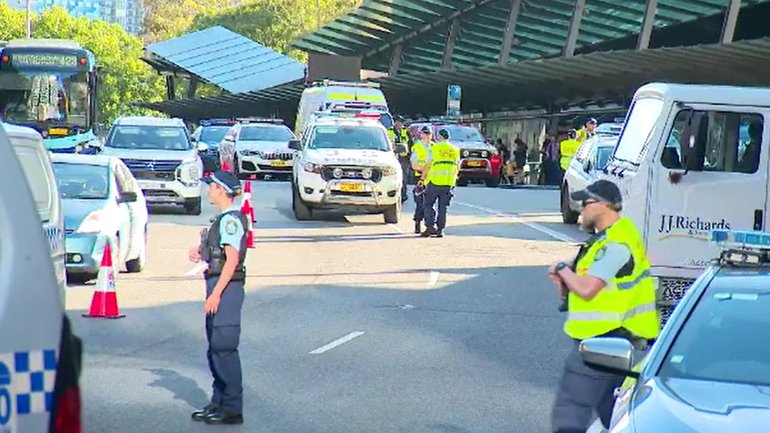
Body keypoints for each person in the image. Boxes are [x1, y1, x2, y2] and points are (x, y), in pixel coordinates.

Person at [548, 179, 660, 433]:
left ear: (603, 206)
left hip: (605, 339)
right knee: (614, 412)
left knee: (570, 412)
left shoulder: (615, 244)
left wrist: (564, 270)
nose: (581, 210)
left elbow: (587, 289)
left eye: (586, 204)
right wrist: (565, 277)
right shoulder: (607, 240)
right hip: (610, 338)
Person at [189, 170, 249, 425]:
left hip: (227, 288)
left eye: (211, 186)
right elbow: (218, 255)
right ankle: (218, 402)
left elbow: (232, 260)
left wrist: (215, 294)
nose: (208, 190)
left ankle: (232, 408)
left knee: (224, 347)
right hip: (218, 284)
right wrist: (200, 253)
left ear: (221, 191)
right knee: (215, 347)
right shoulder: (221, 219)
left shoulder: (231, 221)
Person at [420, 128, 460, 238]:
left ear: (440, 137)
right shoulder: (455, 150)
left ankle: (430, 227)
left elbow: (427, 164)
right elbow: (458, 166)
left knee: (428, 205)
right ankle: (440, 230)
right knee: (443, 207)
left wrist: (422, 178)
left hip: (434, 181)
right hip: (448, 182)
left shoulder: (435, 148)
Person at [410, 125, 433, 234]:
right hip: (419, 176)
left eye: (429, 134)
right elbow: (414, 163)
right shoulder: (417, 147)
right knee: (420, 202)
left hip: (432, 177)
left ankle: (429, 225)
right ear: (421, 134)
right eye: (425, 133)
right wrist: (423, 169)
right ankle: (417, 222)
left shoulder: (434, 146)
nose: (427, 136)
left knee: (429, 203)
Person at [387, 116, 411, 202]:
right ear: (395, 122)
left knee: (404, 177)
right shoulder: (388, 132)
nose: (400, 124)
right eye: (399, 122)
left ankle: (403, 194)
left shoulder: (405, 131)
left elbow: (410, 144)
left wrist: (409, 157)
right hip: (392, 158)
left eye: (402, 122)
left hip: (403, 158)